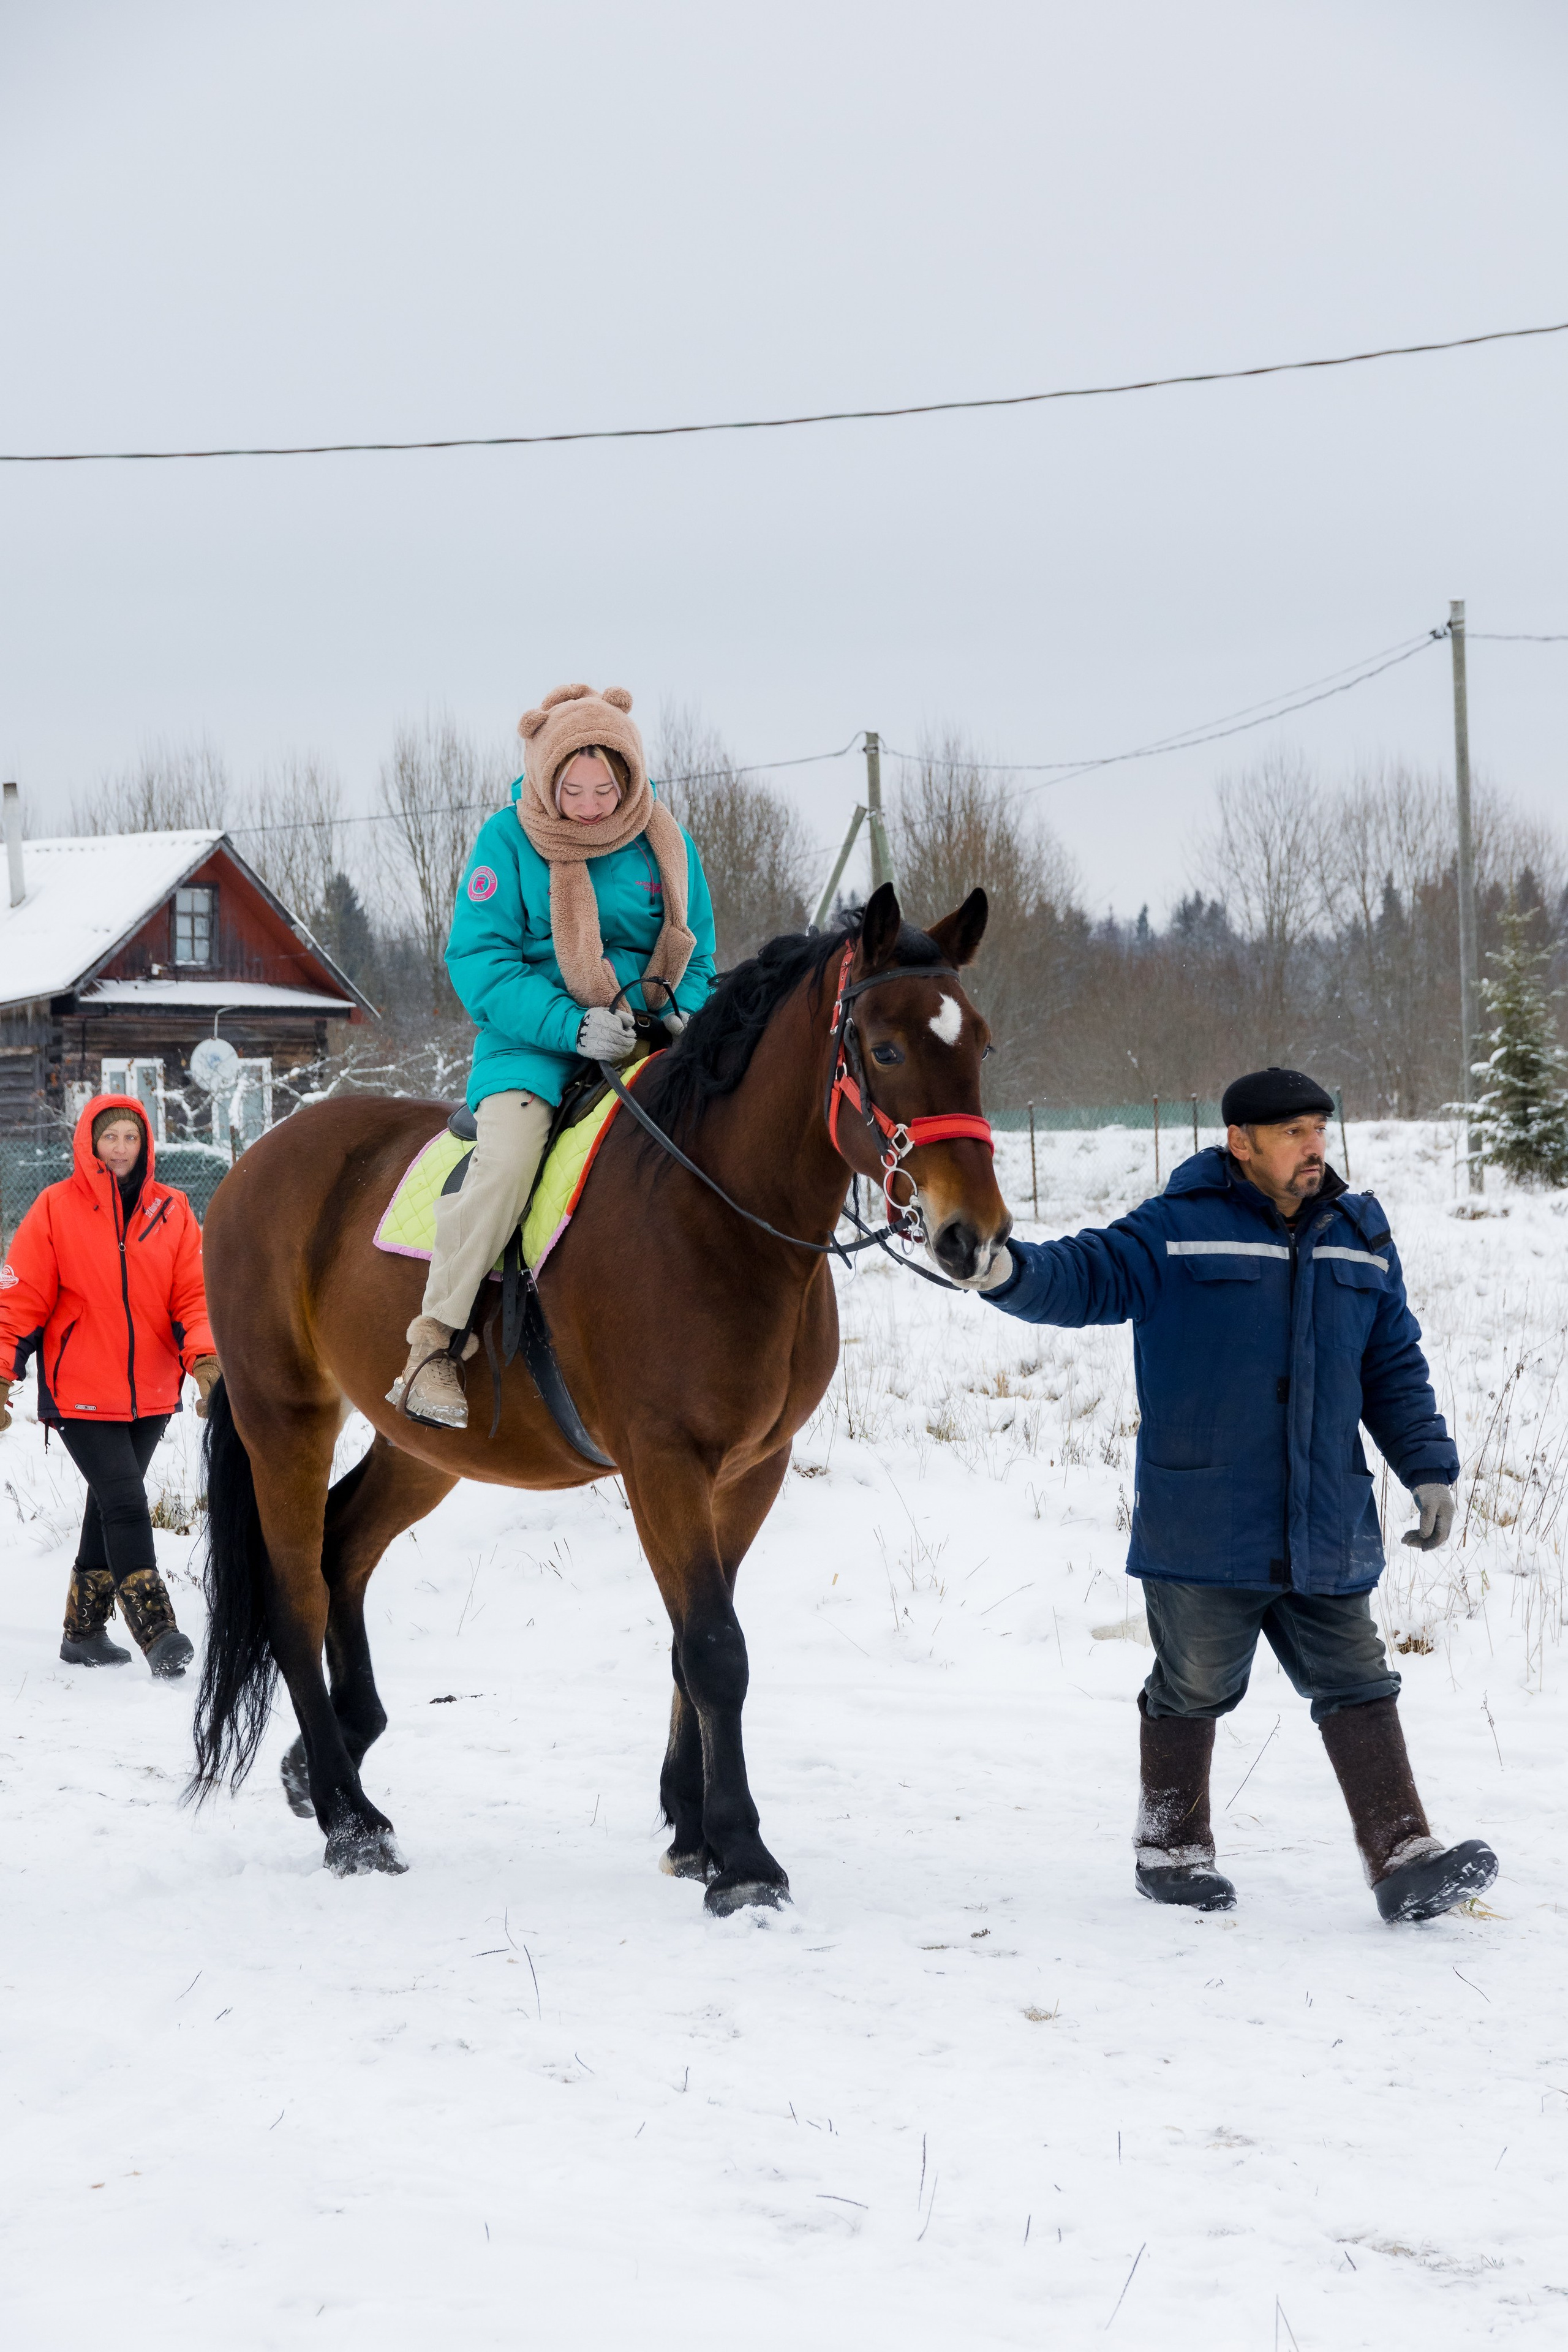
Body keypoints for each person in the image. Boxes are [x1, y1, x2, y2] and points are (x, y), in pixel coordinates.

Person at [978, 1065, 1498, 1924]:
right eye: (1293, 1133)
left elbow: (1392, 1365)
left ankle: (1404, 1855)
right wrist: (1003, 1270)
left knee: (1358, 1679)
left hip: (1324, 1518)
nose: (1313, 1149)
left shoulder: (1358, 1235)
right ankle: (1171, 1847)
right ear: (1240, 1142)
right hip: (1205, 1519)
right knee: (1193, 1684)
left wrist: (1429, 1468)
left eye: (1319, 1131)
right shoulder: (1177, 1229)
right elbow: (1082, 1275)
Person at [389, 682, 717, 1429]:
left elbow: (699, 950)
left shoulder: (667, 839)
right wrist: (572, 1026)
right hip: (532, 1045)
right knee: (507, 1165)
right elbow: (481, 962)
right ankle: (434, 1345)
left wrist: (679, 1008)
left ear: (630, 776)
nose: (592, 806)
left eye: (607, 789)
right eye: (574, 790)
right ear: (546, 778)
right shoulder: (507, 841)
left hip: (649, 1036)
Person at [0, 1095, 220, 1677]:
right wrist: (1, 1372)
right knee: (125, 1501)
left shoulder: (173, 1209)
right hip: (79, 1388)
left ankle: (83, 1634)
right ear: (89, 1143)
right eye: (110, 1137)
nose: (120, 1148)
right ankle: (158, 1630)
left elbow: (193, 1297)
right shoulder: (55, 1208)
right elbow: (21, 1300)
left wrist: (206, 1362)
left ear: (145, 1144)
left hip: (151, 1391)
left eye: (131, 1137)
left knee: (107, 1502)